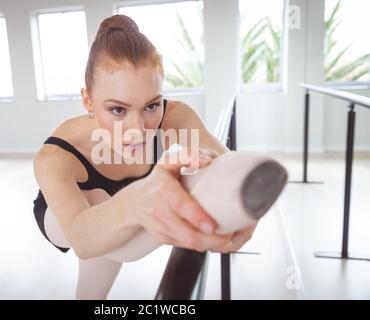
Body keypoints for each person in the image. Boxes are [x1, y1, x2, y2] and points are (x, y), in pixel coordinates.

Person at [32, 14, 257, 299]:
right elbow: (83, 240)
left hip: (126, 201)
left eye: (151, 106)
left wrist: (243, 189)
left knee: (89, 295)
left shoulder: (175, 115)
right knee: (104, 221)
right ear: (88, 100)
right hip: (68, 213)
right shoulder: (54, 157)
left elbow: (223, 161)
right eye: (118, 110)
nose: (138, 130)